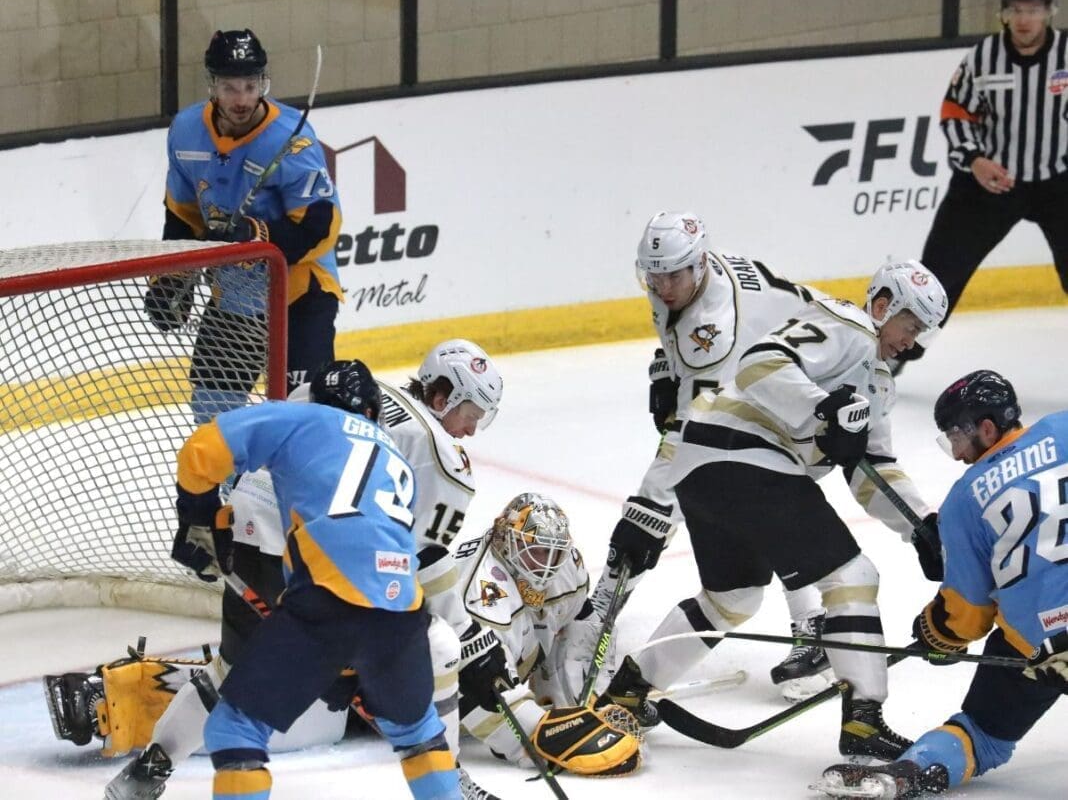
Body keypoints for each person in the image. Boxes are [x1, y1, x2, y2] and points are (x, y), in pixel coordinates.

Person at [74, 340, 502, 799]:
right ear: (441, 397)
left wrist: (199, 518)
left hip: (260, 543)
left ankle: (151, 768)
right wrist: (465, 633)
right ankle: (447, 779)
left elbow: (213, 451)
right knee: (434, 660)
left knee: (231, 686)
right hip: (348, 584)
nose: (470, 431)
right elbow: (414, 556)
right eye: (471, 415)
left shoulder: (305, 406)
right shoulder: (421, 452)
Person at [600, 259, 949, 761]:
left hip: (702, 462)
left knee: (733, 598)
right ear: (882, 306)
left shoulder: (876, 381)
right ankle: (864, 723)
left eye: (922, 335)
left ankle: (628, 693)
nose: (912, 343)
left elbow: (869, 466)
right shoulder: (848, 328)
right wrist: (822, 409)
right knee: (853, 578)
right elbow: (760, 362)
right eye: (910, 326)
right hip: (743, 453)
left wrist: (920, 525)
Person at [586, 211, 859, 702]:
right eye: (654, 275)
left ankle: (815, 627)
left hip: (824, 381)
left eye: (672, 275)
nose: (662, 287)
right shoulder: (680, 282)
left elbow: (690, 439)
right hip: (775, 363)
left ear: (699, 265)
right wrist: (668, 370)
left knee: (766, 484)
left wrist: (646, 516)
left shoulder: (713, 328)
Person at [171, 359, 458, 799]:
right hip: (403, 610)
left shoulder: (304, 417)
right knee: (419, 733)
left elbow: (201, 451)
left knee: (235, 731)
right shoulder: (395, 457)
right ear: (373, 411)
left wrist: (199, 516)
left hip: (327, 601)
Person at [817, 370, 1068, 798]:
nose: (955, 453)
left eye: (957, 436)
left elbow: (968, 617)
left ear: (987, 428)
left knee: (982, 734)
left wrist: (936, 632)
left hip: (1035, 647)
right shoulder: (1063, 428)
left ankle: (906, 773)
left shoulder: (963, 499)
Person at [144, 28, 343, 420]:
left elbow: (322, 225)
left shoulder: (291, 139)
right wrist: (170, 280)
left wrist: (258, 237)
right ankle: (230, 485)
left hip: (299, 296)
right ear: (212, 86)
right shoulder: (186, 131)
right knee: (213, 419)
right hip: (233, 298)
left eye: (251, 86)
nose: (242, 99)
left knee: (302, 419)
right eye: (230, 87)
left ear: (263, 83)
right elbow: (183, 215)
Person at [918, 0, 1068, 344]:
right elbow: (955, 112)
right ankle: (892, 357)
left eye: (1033, 9)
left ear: (1051, 10)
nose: (1023, 19)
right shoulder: (984, 57)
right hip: (989, 182)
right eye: (1016, 9)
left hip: (1060, 182)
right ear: (1004, 10)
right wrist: (974, 160)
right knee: (937, 275)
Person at [451, 493, 641, 777]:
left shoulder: (565, 566)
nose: (547, 563)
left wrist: (594, 696)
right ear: (506, 541)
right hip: (425, 695)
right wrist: (547, 736)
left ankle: (570, 700)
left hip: (500, 667)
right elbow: (476, 685)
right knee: (475, 675)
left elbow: (581, 618)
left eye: (554, 552)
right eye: (537, 552)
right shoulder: (480, 592)